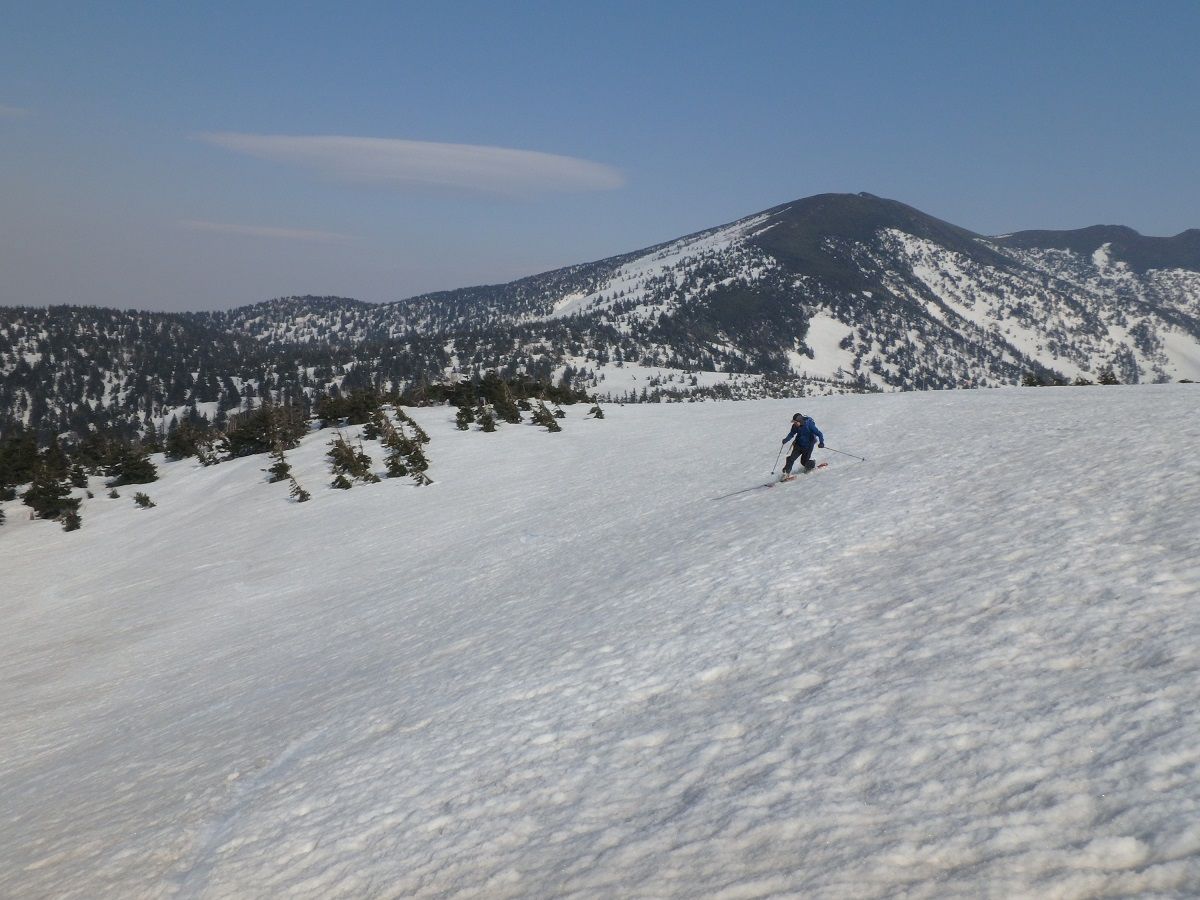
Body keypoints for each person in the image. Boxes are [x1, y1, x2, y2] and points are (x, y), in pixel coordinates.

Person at [780, 412, 824, 480]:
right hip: (798, 444)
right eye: (794, 422)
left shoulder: (809, 425)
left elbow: (819, 433)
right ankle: (786, 474)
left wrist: (821, 442)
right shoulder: (795, 426)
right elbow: (792, 433)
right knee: (791, 458)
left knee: (804, 462)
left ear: (800, 421)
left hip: (808, 446)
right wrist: (786, 439)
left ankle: (811, 464)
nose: (794, 423)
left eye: (795, 422)